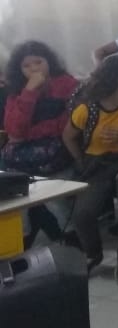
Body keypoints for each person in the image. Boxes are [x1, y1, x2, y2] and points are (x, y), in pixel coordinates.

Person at [62, 54, 118, 285]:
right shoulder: (87, 109)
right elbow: (68, 137)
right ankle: (92, 253)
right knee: (84, 213)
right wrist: (81, 162)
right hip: (97, 163)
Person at [2, 41, 80, 242]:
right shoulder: (17, 90)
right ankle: (21, 236)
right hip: (21, 156)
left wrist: (30, 132)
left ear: (49, 62)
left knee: (52, 195)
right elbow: (14, 128)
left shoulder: (66, 84)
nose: (34, 68)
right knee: (12, 192)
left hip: (57, 150)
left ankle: (71, 234)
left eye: (38, 62)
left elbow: (70, 121)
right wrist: (30, 91)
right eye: (26, 66)